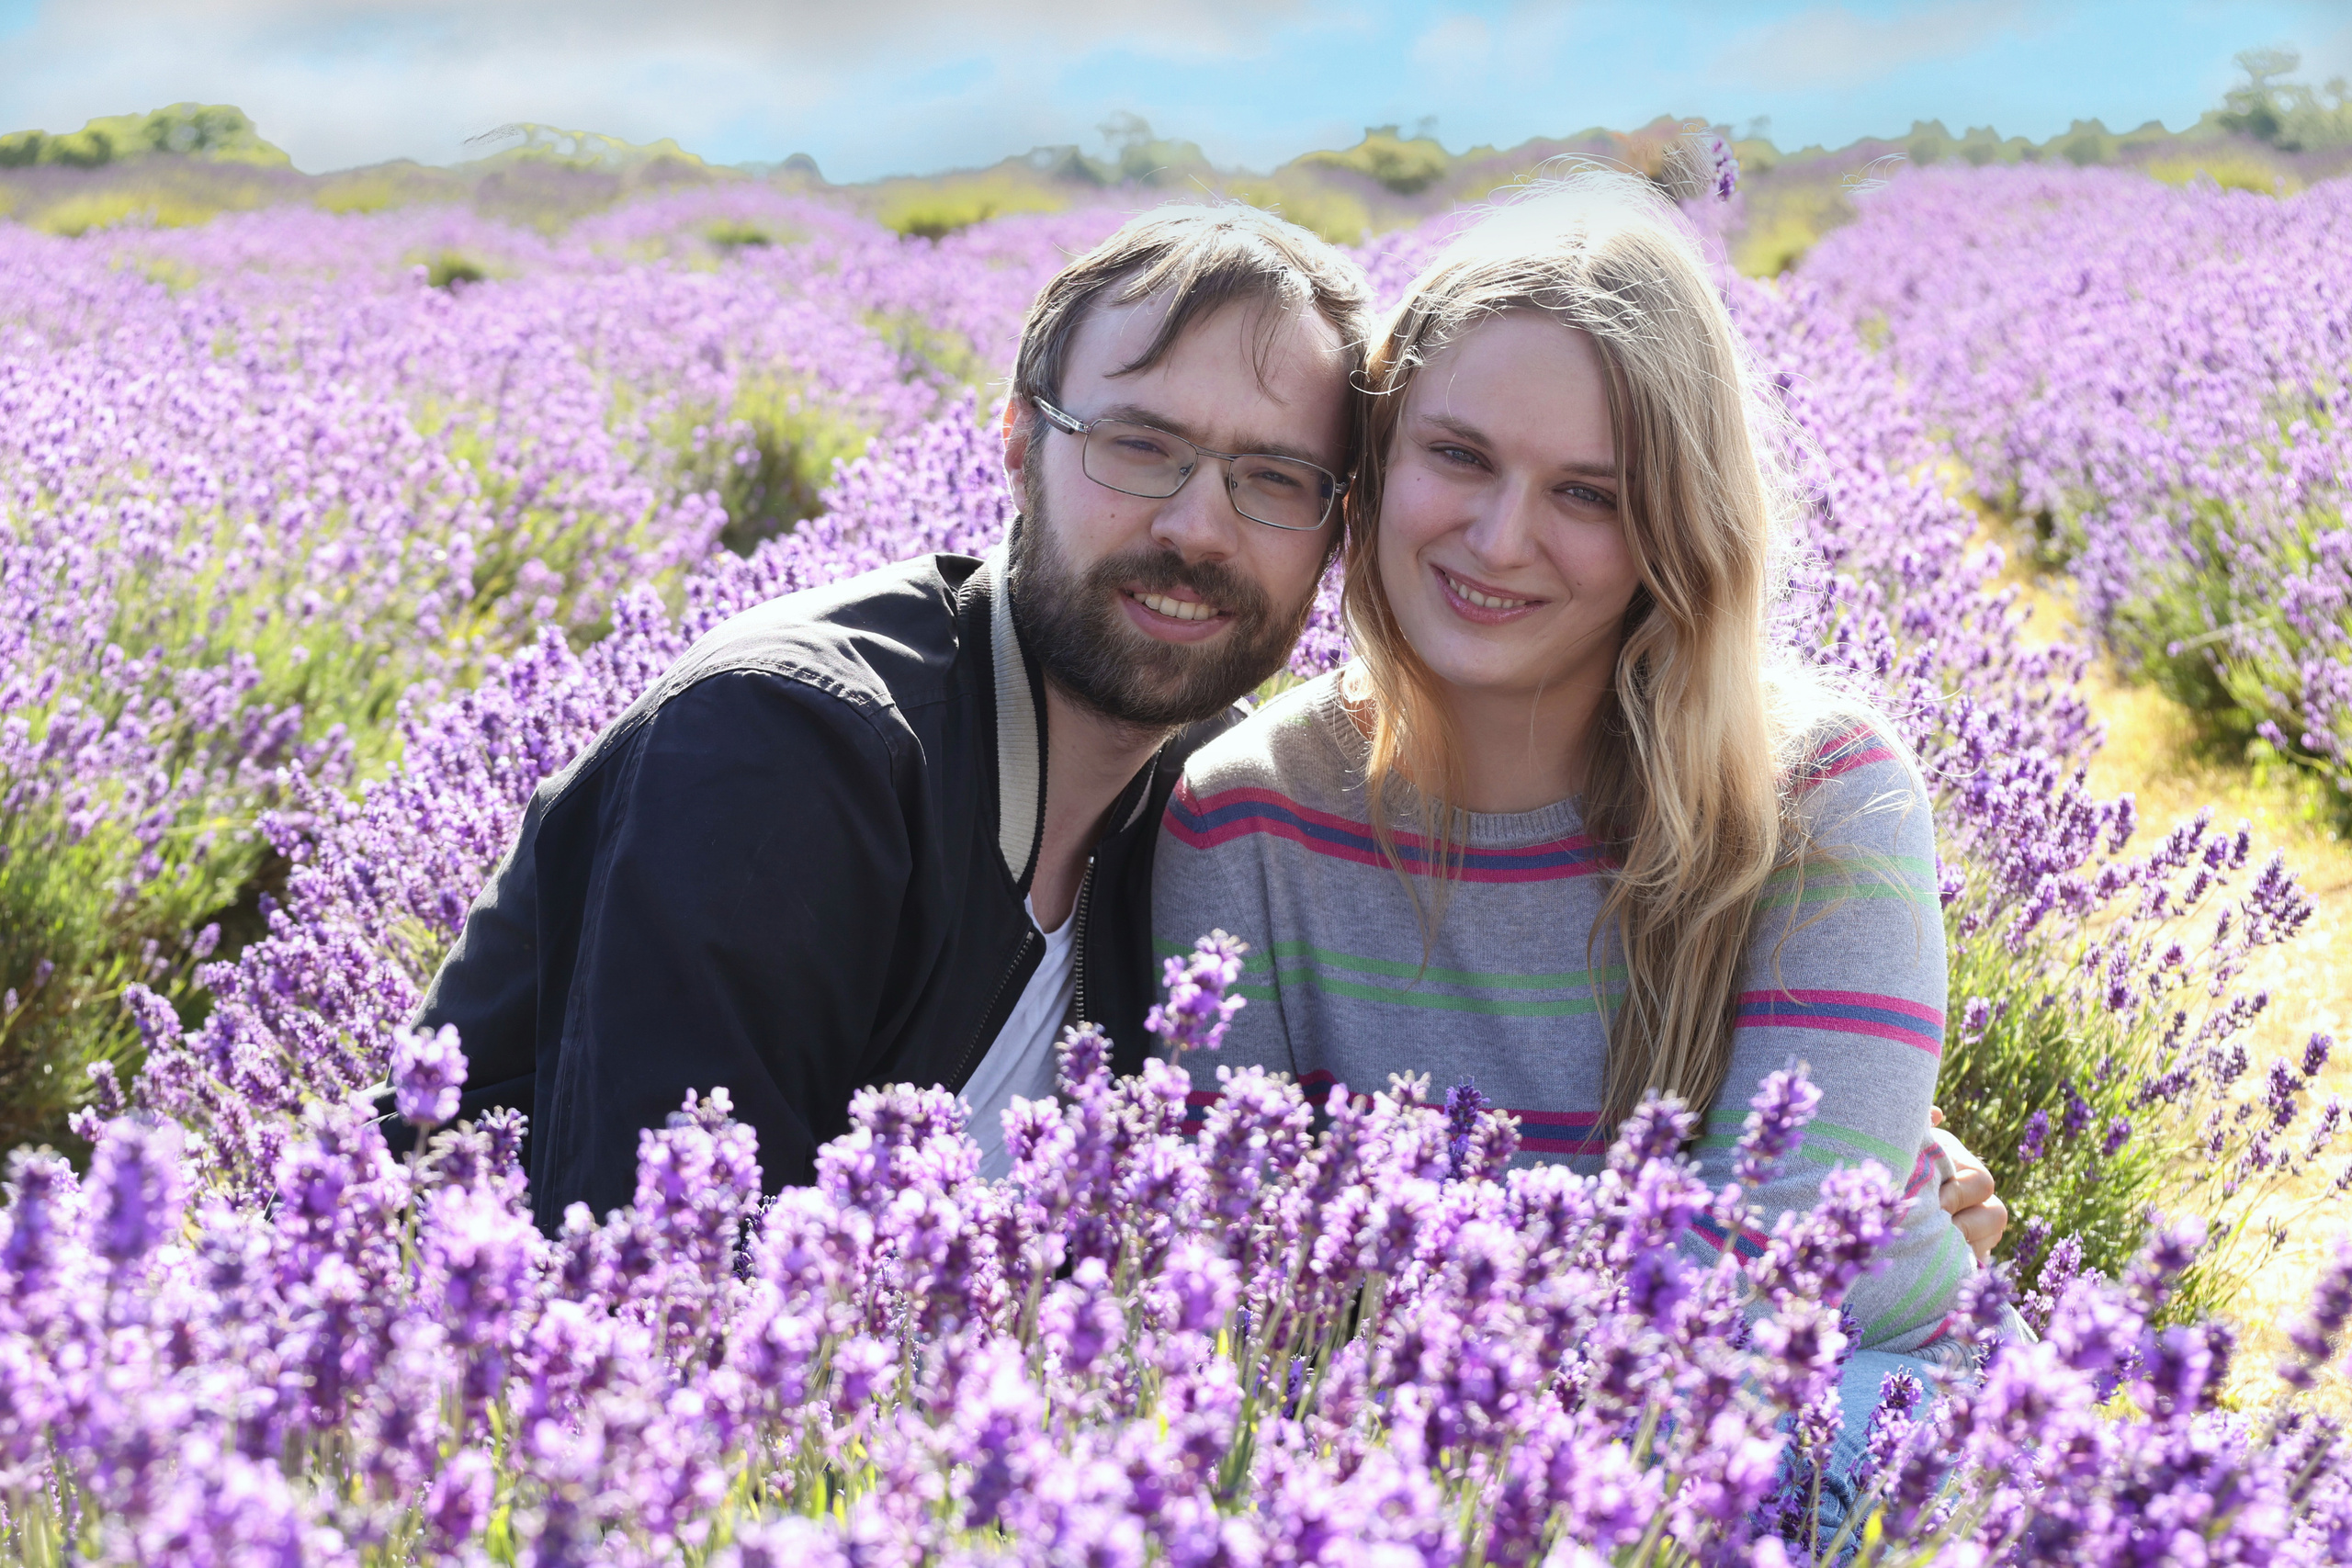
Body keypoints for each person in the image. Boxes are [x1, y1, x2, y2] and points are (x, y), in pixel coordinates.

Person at [1152, 175, 2001, 1498]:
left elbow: (1763, 1292)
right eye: (1460, 455)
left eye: (1588, 493)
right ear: (1373, 461)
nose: (1500, 537)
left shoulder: (1821, 789)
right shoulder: (1243, 814)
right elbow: (1238, 1288)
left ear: (1673, 526)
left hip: (1833, 1405)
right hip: (1432, 1455)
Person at [402, 205, 1367, 1228]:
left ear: (1336, 529)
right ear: (1016, 442)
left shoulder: (1218, 802)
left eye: (1274, 477)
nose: (1197, 528)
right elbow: (656, 1282)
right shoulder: (783, 754)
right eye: (1138, 445)